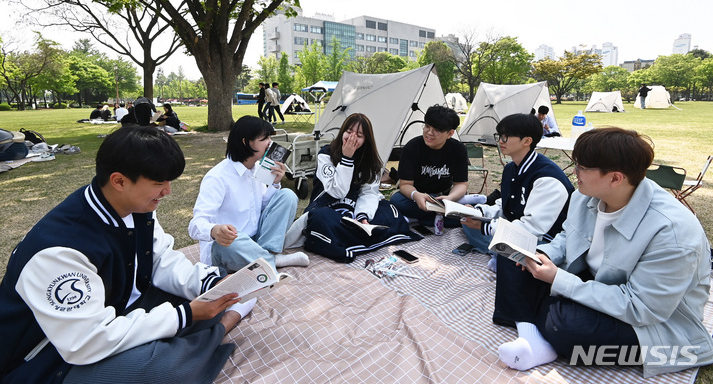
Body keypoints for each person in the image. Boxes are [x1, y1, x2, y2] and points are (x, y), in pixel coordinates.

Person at [0, 126, 250, 384]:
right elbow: (85, 342)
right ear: (119, 181)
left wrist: (207, 284)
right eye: (158, 183)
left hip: (118, 310)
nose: (168, 191)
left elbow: (160, 259)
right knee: (162, 372)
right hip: (50, 360)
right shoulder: (58, 251)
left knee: (215, 289)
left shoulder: (136, 207)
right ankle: (216, 331)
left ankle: (194, 337)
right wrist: (185, 315)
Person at [492, 127, 713, 376]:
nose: (574, 172)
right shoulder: (584, 196)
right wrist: (545, 255)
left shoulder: (672, 232)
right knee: (512, 259)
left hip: (653, 323)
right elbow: (569, 236)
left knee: (564, 326)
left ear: (615, 178)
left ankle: (545, 330)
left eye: (582, 167)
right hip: (594, 282)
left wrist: (559, 280)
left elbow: (641, 308)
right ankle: (533, 334)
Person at [460, 113, 574, 330]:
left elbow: (533, 229)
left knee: (507, 248)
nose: (500, 141)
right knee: (467, 222)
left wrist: (486, 226)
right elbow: (507, 204)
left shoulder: (546, 177)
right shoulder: (512, 167)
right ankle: (497, 249)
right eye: (499, 136)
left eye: (505, 137)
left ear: (527, 141)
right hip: (516, 226)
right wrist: (480, 211)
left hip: (546, 240)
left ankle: (502, 258)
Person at [284, 113, 419, 261]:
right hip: (328, 207)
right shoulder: (326, 155)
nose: (352, 138)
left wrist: (363, 216)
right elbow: (337, 192)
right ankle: (356, 238)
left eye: (359, 135)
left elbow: (369, 192)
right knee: (319, 219)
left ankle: (351, 236)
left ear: (366, 139)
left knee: (389, 210)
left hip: (354, 209)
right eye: (349, 132)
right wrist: (347, 159)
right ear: (342, 132)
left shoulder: (369, 161)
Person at [188, 116, 307, 274]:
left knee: (287, 195)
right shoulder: (217, 177)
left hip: (255, 242)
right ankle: (272, 261)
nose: (270, 143)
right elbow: (195, 225)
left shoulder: (258, 168)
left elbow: (263, 206)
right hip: (229, 247)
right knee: (233, 240)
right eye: (264, 138)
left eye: (270, 137)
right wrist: (214, 230)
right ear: (246, 142)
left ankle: (265, 254)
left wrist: (276, 183)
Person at [389, 104, 469, 229]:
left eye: (437, 130)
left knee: (468, 207)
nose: (429, 133)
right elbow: (405, 185)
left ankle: (418, 219)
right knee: (397, 201)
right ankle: (442, 218)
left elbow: (461, 184)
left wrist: (449, 199)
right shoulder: (412, 147)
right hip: (416, 197)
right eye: (427, 126)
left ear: (450, 133)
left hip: (444, 196)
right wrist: (416, 195)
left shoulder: (458, 149)